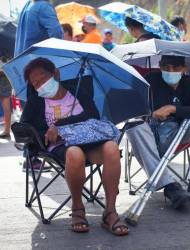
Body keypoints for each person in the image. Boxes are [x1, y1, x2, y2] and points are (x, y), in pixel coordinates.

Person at [21, 58, 129, 235]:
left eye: (43, 78)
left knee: (111, 148)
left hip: (90, 141)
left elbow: (92, 115)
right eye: (36, 83)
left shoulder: (78, 91)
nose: (40, 85)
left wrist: (62, 125)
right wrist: (47, 133)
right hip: (61, 148)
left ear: (55, 74)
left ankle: (110, 212)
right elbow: (26, 129)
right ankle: (78, 207)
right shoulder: (36, 102)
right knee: (74, 153)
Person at [126, 55, 190, 209]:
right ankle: (169, 185)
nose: (170, 71)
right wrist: (150, 113)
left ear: (184, 68)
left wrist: (174, 109)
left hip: (179, 134)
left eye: (176, 68)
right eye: (166, 67)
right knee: (133, 125)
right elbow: (134, 108)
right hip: (150, 138)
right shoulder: (149, 81)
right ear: (160, 66)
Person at [15, 0, 63, 171]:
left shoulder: (28, 5)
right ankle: (32, 156)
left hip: (26, 65)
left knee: (31, 111)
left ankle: (30, 155)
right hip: (40, 67)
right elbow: (57, 34)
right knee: (37, 113)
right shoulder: (43, 6)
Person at [0, 57, 12, 139]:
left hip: (4, 74)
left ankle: (7, 130)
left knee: (6, 104)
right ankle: (7, 130)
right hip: (6, 72)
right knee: (6, 105)